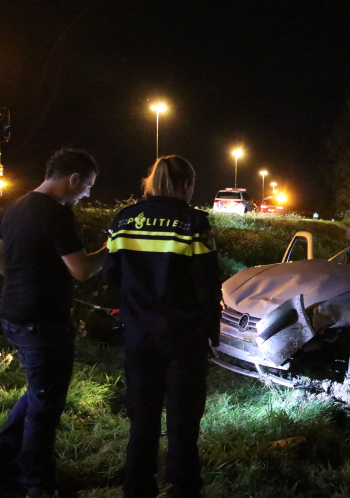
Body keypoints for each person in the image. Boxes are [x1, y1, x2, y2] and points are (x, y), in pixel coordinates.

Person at [103, 156, 221, 498]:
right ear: (186, 184)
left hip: (138, 334)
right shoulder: (193, 222)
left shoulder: (124, 219)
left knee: (142, 418)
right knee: (183, 421)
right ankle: (183, 488)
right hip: (184, 336)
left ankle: (137, 487)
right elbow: (207, 283)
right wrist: (211, 328)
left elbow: (110, 274)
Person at [0, 148, 107, 497]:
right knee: (45, 407)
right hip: (44, 321)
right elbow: (82, 270)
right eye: (87, 186)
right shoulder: (56, 214)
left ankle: (4, 462)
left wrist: (28, 275)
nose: (86, 194)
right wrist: (113, 247)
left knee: (38, 392)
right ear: (73, 179)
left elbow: (2, 260)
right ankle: (37, 483)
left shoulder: (15, 207)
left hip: (13, 314)